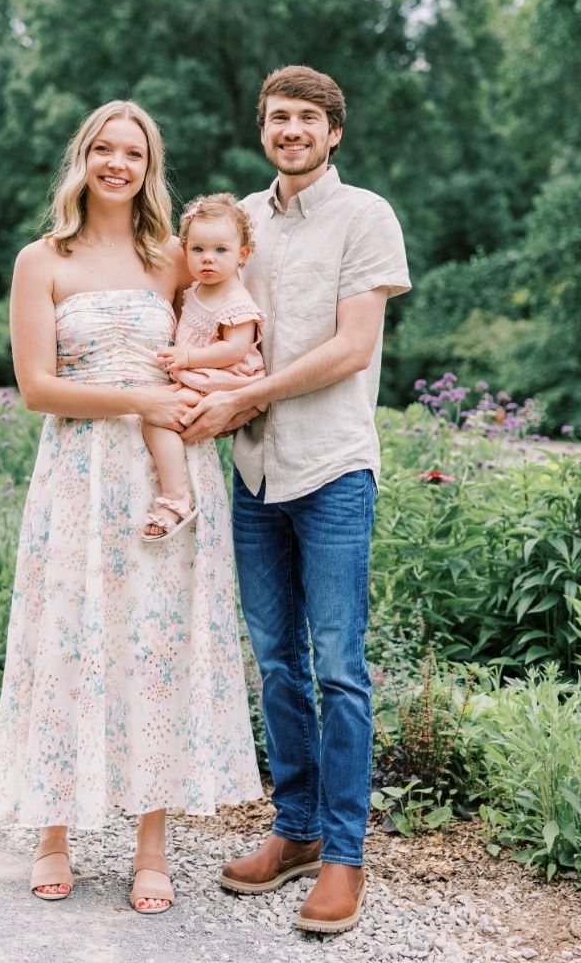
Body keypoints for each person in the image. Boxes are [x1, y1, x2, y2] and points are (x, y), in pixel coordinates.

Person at [0, 100, 263, 915]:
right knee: (70, 639)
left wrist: (221, 401)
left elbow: (239, 330)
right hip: (78, 472)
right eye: (103, 148)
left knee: (155, 645)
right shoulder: (43, 261)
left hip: (162, 474)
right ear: (83, 158)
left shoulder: (173, 258)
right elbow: (38, 388)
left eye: (132, 153)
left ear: (149, 168)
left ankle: (151, 847)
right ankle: (53, 833)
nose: (117, 163)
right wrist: (139, 395)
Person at [180, 65, 409, 934]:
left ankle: (345, 857)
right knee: (276, 662)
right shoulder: (239, 220)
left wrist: (243, 395)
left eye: (307, 119)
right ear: (264, 128)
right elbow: (198, 316)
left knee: (340, 668)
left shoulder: (366, 217)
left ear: (333, 132)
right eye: (278, 118)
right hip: (254, 473)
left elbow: (353, 348)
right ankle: (298, 831)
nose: (291, 130)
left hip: (333, 468)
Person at [139, 193, 266, 541]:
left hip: (226, 380)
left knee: (157, 418)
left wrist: (189, 358)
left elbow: (236, 348)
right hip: (201, 376)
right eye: (197, 250)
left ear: (243, 254)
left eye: (220, 251)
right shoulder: (195, 289)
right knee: (158, 416)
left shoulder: (235, 300)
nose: (207, 259)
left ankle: (176, 497)